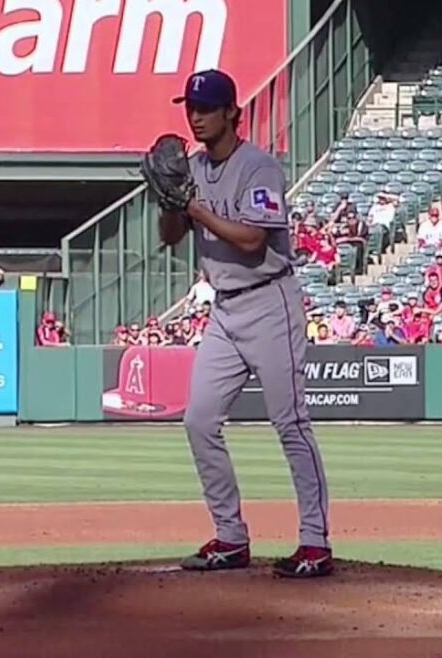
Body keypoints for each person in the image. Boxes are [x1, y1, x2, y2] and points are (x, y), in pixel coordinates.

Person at [156, 69, 333, 578]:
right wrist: (169, 203)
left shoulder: (259, 167)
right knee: (199, 420)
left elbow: (254, 240)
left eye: (206, 107)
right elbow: (171, 236)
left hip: (269, 300)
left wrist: (193, 205)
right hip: (225, 308)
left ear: (232, 112)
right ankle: (231, 537)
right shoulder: (191, 168)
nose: (195, 116)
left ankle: (316, 542)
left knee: (291, 424)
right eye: (190, 107)